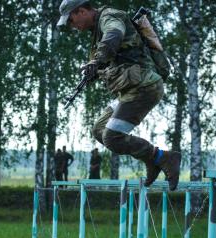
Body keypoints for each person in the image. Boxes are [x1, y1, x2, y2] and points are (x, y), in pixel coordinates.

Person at [57, 1, 181, 189]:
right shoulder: (97, 30)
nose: (73, 26)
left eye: (72, 20)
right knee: (99, 129)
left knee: (112, 136)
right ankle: (152, 159)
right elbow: (117, 57)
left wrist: (96, 61)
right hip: (130, 89)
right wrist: (96, 72)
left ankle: (165, 158)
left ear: (82, 11)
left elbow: (114, 34)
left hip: (144, 86)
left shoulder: (109, 17)